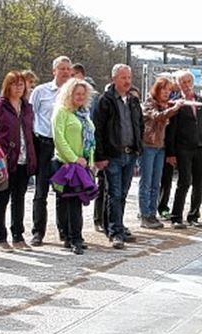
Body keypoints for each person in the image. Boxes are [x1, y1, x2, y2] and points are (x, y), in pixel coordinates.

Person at [93, 64, 143, 249]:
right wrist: (100, 156)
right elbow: (97, 130)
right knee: (113, 193)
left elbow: (139, 125)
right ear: (114, 79)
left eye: (129, 77)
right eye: (123, 78)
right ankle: (115, 233)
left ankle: (116, 226)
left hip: (130, 154)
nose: (127, 81)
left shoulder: (133, 101)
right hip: (112, 155)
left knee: (122, 193)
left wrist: (138, 148)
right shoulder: (104, 101)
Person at [28, 56, 72, 246]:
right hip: (44, 143)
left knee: (63, 191)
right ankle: (38, 232)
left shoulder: (73, 93)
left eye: (67, 69)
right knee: (41, 191)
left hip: (64, 146)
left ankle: (64, 231)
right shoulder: (41, 91)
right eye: (61, 68)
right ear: (54, 71)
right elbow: (31, 116)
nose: (64, 72)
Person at [0, 71, 37, 252]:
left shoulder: (27, 107)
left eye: (21, 84)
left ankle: (18, 235)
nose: (18, 87)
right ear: (7, 86)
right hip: (6, 159)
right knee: (2, 197)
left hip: (24, 159)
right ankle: (0, 237)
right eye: (14, 84)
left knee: (19, 198)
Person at [52, 78, 97, 254]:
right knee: (71, 202)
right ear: (69, 94)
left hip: (83, 164)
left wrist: (90, 161)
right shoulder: (61, 112)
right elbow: (59, 138)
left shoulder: (84, 113)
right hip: (66, 164)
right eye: (76, 93)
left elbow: (91, 139)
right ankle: (73, 238)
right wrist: (73, 158)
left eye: (83, 94)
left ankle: (73, 236)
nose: (80, 97)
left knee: (76, 202)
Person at [165, 70, 202, 229]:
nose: (187, 85)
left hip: (200, 146)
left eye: (189, 81)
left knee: (200, 182)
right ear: (178, 84)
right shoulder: (175, 103)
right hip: (183, 147)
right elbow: (171, 130)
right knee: (184, 182)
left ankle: (194, 215)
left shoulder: (200, 101)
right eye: (183, 82)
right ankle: (176, 216)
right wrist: (170, 152)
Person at [139, 76, 183, 228]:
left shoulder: (165, 104)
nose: (166, 93)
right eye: (164, 89)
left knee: (156, 183)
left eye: (169, 90)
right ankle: (145, 215)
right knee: (146, 182)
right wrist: (174, 108)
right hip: (148, 146)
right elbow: (157, 117)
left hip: (160, 147)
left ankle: (152, 214)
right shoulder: (149, 103)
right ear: (157, 89)